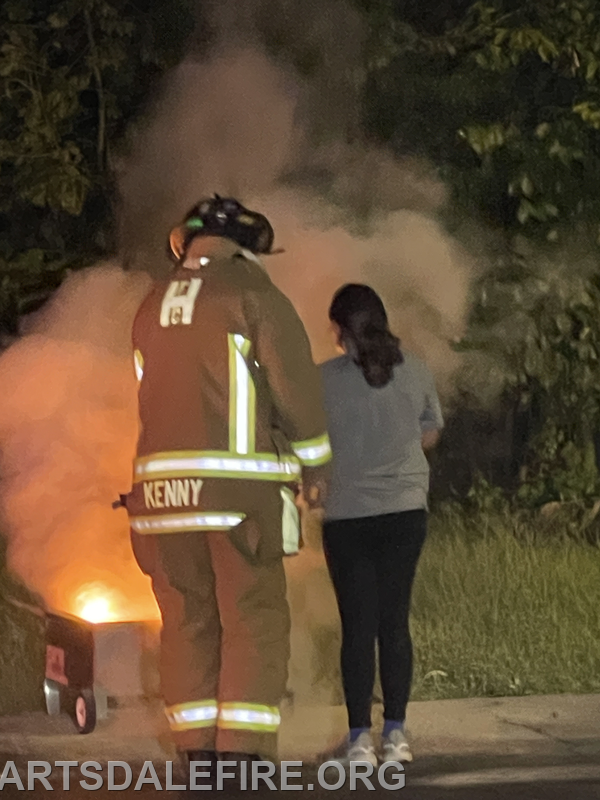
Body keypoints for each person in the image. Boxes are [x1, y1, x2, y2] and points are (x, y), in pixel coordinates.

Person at [123, 196, 331, 778]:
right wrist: (315, 467)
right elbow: (296, 394)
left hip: (158, 503)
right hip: (238, 500)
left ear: (185, 243)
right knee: (252, 618)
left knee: (186, 622)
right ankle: (240, 756)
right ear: (244, 245)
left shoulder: (148, 306)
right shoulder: (255, 297)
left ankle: (196, 754)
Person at [319, 283, 443, 766]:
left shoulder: (323, 379)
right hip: (406, 514)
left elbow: (306, 436)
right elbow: (430, 431)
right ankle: (395, 736)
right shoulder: (416, 370)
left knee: (357, 627)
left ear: (344, 332)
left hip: (347, 517)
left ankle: (357, 741)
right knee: (395, 622)